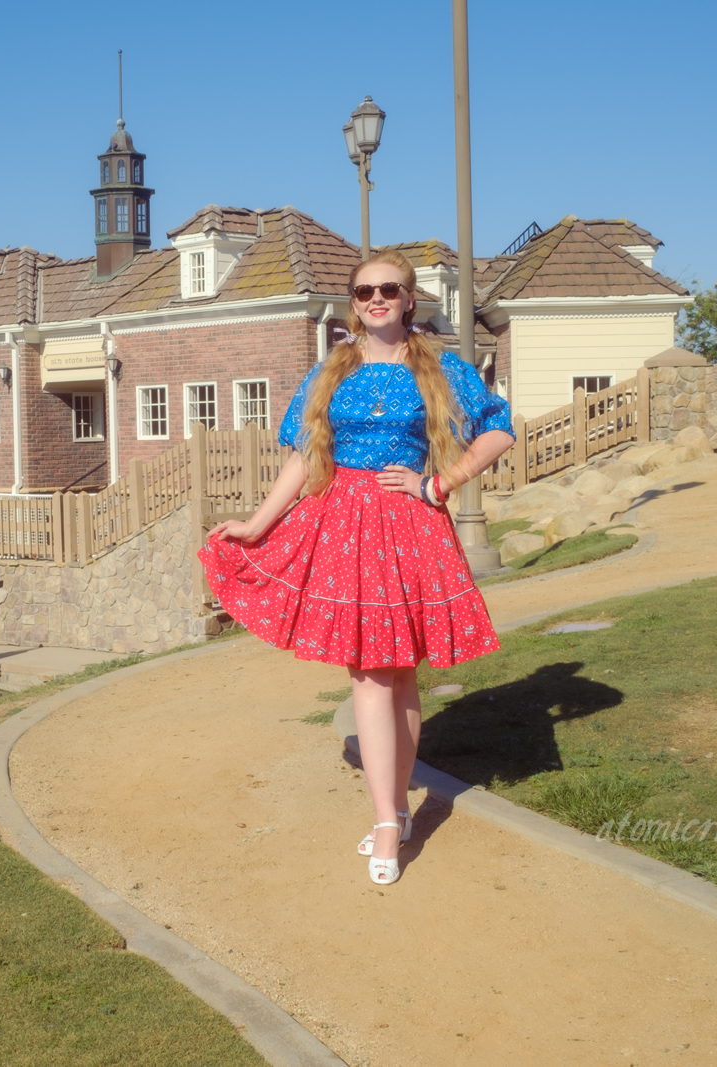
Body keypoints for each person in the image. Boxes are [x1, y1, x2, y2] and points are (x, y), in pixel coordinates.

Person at [199, 250, 515, 885]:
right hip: (343, 526)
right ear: (353, 301)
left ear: (409, 298)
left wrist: (437, 484)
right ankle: (386, 819)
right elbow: (301, 456)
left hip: (410, 524)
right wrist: (257, 523)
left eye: (389, 290)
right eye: (365, 290)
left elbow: (497, 431)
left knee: (399, 675)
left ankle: (393, 811)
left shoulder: (440, 367)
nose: (377, 299)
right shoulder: (330, 372)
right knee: (370, 674)